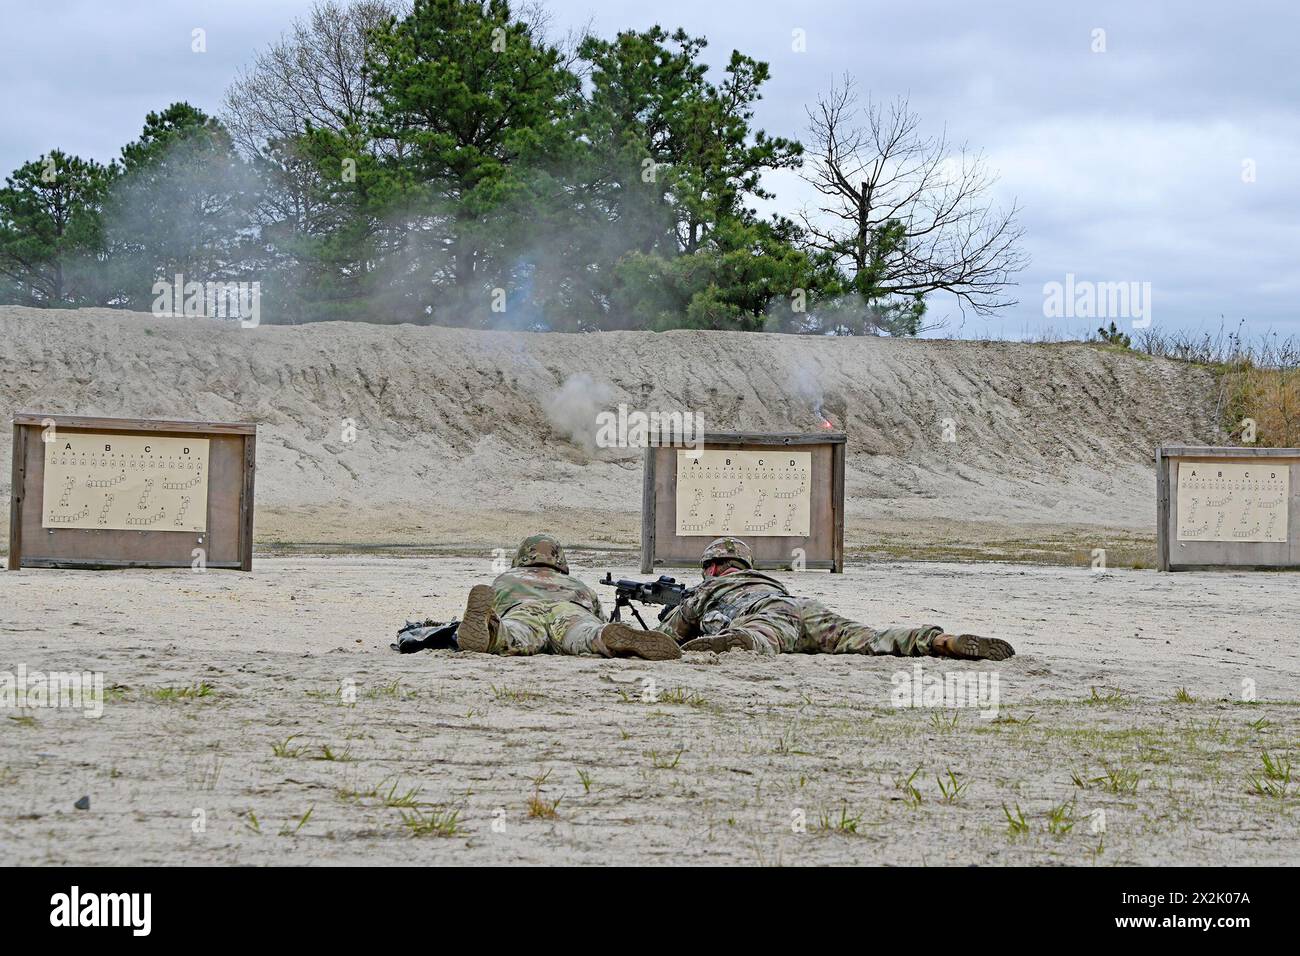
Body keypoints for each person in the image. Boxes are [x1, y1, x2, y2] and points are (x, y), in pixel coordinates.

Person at [658, 537, 1014, 660]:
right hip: (803, 608)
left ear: (714, 567)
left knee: (757, 638)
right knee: (870, 639)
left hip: (766, 615)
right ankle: (939, 640)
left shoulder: (712, 588)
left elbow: (668, 637)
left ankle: (740, 643)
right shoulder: (765, 580)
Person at [457, 533, 681, 660]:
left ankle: (492, 633)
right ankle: (607, 639)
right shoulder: (577, 584)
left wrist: (489, 620)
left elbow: (497, 606)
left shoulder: (506, 579)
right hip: (570, 610)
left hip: (524, 610)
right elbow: (596, 614)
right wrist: (603, 627)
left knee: (513, 634)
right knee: (585, 634)